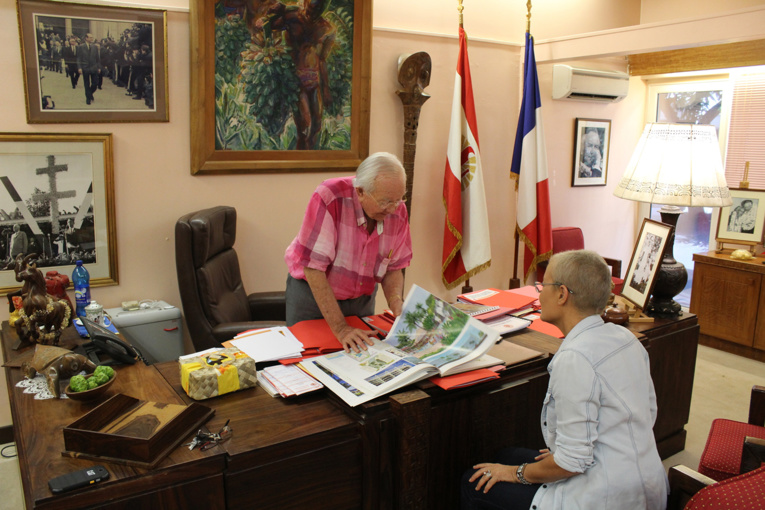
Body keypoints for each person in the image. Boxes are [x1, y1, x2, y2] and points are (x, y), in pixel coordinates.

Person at [461, 250, 668, 510]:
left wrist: (514, 474)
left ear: (561, 294)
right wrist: (564, 452)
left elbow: (572, 463)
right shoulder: (626, 338)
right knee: (507, 455)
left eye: (542, 285)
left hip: (605, 497)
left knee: (472, 482)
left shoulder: (575, 358)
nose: (539, 293)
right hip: (646, 482)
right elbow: (647, 413)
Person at [284, 152, 412, 353]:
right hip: (314, 298)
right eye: (386, 202)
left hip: (361, 300)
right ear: (360, 192)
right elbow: (313, 268)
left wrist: (397, 303)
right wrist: (341, 329)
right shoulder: (330, 196)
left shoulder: (396, 208)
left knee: (358, 362)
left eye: (398, 200)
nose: (393, 209)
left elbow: (394, 266)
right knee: (310, 364)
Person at [77, 33, 101, 105]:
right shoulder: (81, 47)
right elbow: (78, 58)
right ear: (86, 38)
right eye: (90, 37)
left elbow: (97, 58)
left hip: (94, 68)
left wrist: (99, 67)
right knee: (86, 83)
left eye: (92, 37)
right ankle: (88, 98)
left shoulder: (95, 47)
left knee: (95, 83)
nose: (92, 39)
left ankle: (90, 94)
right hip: (85, 67)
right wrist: (79, 68)